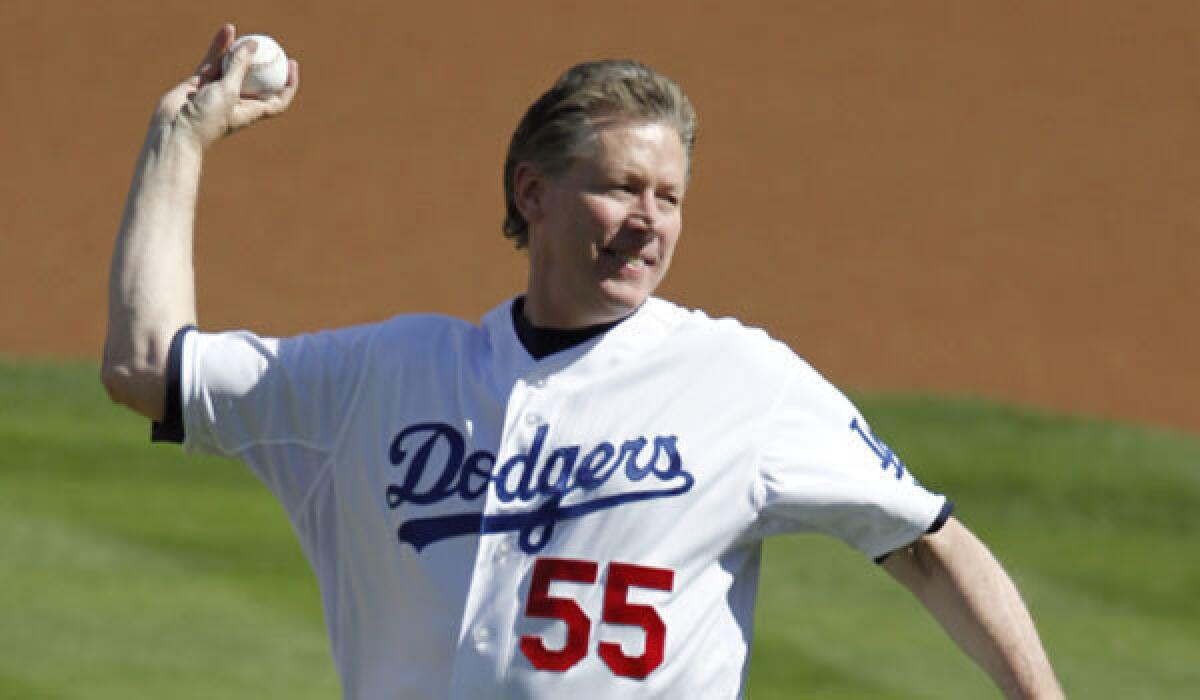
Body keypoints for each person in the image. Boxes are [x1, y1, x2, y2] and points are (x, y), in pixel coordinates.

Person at [102, 24, 1065, 700]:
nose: (650, 220)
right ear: (534, 192)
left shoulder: (742, 382)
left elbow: (931, 545)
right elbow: (147, 368)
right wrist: (178, 137)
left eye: (670, 197)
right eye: (619, 188)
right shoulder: (383, 379)